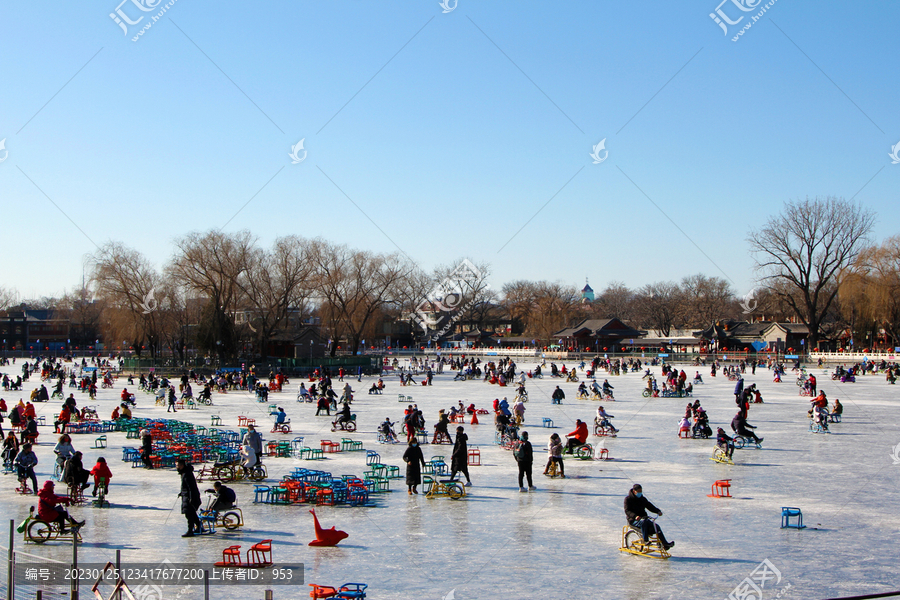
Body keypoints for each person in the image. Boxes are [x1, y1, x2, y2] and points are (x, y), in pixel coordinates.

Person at [624, 484, 674, 550]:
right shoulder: (628, 499)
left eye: (641, 491)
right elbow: (627, 511)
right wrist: (635, 516)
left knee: (656, 526)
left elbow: (649, 506)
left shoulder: (642, 499)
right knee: (643, 522)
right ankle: (645, 540)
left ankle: (665, 544)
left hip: (644, 519)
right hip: (633, 520)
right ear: (634, 491)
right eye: (638, 492)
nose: (640, 493)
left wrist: (657, 511)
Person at [176, 459, 202, 537]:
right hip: (187, 495)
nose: (176, 467)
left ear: (182, 465)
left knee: (189, 514)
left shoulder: (187, 474)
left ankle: (190, 530)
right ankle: (199, 526)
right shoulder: (185, 473)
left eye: (177, 465)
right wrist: (182, 492)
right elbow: (186, 486)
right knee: (192, 513)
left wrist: (191, 498)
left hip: (189, 497)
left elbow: (191, 487)